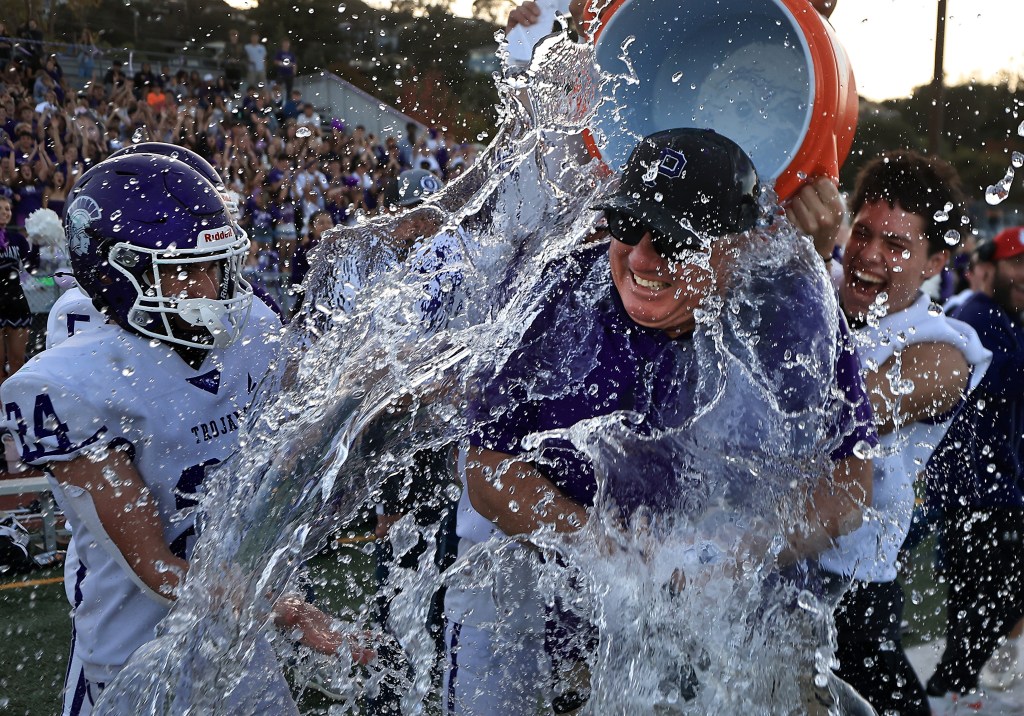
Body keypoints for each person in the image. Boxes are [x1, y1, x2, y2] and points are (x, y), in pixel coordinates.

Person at [442, 128, 876, 714]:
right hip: (565, 642)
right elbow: (487, 465)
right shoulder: (560, 294)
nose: (642, 258)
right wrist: (603, 547)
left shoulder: (789, 316)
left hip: (741, 643)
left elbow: (852, 480)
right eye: (626, 225)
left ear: (738, 246)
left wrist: (743, 551)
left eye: (672, 238)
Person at [1, 153, 366, 716]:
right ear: (115, 274)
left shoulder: (249, 328)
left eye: (215, 265)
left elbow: (315, 405)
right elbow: (156, 567)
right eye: (183, 269)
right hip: (136, 655)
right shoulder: (72, 381)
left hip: (238, 635)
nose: (208, 286)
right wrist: (283, 608)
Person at [815, 151, 991, 716]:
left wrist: (812, 262)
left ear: (937, 260)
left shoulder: (945, 349)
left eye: (896, 247)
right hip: (762, 568)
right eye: (862, 233)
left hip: (853, 594)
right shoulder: (817, 282)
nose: (868, 255)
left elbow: (834, 414)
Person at [924, 224, 1024, 711]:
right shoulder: (976, 315)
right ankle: (948, 692)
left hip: (992, 488)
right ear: (985, 269)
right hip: (977, 490)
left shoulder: (1004, 318)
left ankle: (955, 689)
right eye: (1016, 263)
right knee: (982, 608)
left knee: (980, 607)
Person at [0, 195, 32, 384]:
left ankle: (15, 407)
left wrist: (35, 242)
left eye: (8, 209)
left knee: (17, 362)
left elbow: (31, 267)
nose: (5, 212)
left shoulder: (17, 239)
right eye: (1, 208)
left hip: (15, 304)